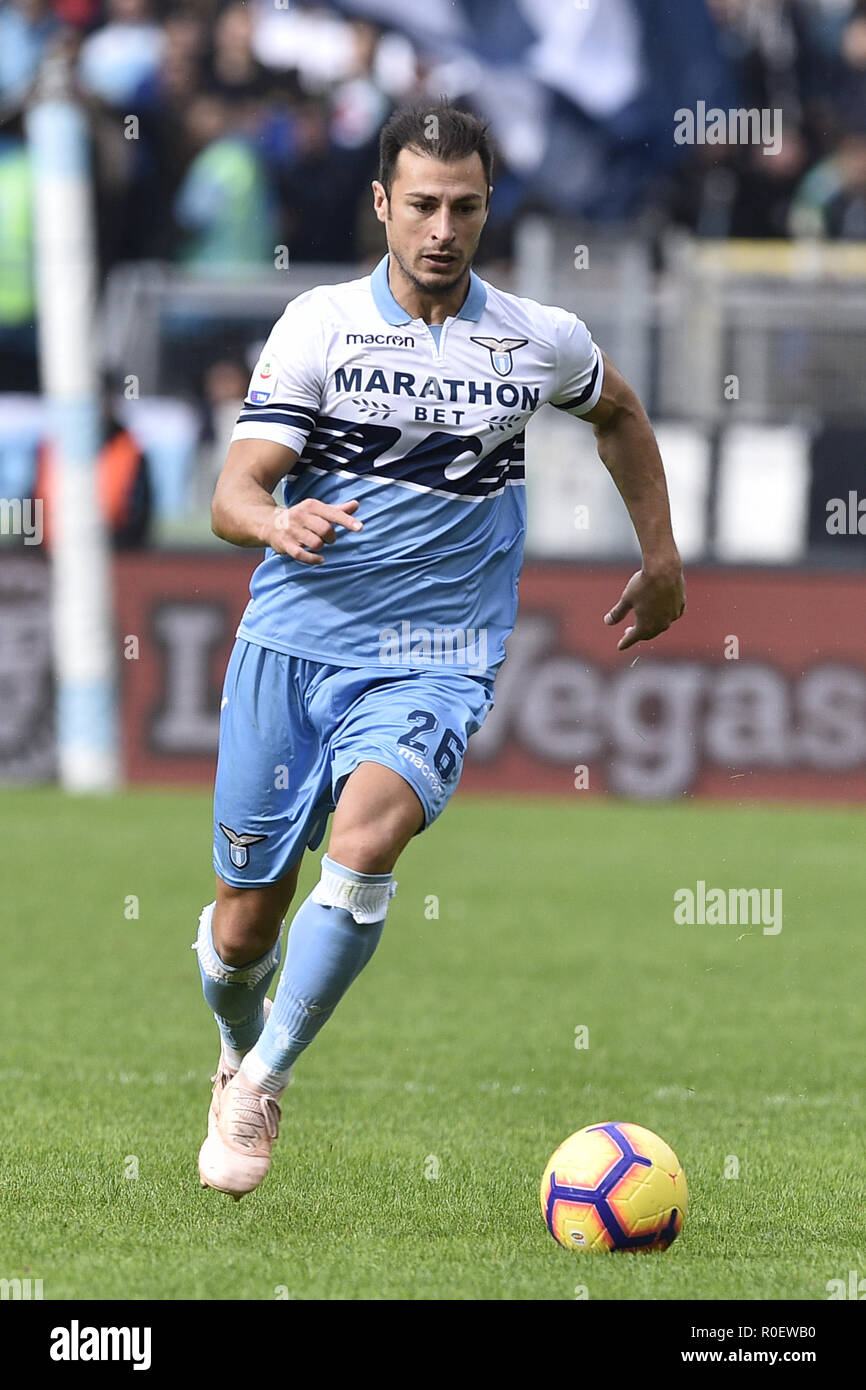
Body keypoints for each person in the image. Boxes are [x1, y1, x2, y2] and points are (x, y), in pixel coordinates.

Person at [196, 101, 685, 1200]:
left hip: (433, 655)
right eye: (420, 203)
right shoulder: (318, 326)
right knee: (241, 930)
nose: (441, 227)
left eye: (463, 205)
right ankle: (236, 1037)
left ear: (486, 205)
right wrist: (276, 521)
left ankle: (263, 1080)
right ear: (381, 202)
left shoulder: (533, 338)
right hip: (292, 645)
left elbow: (617, 413)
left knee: (366, 844)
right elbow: (235, 488)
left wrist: (659, 556)